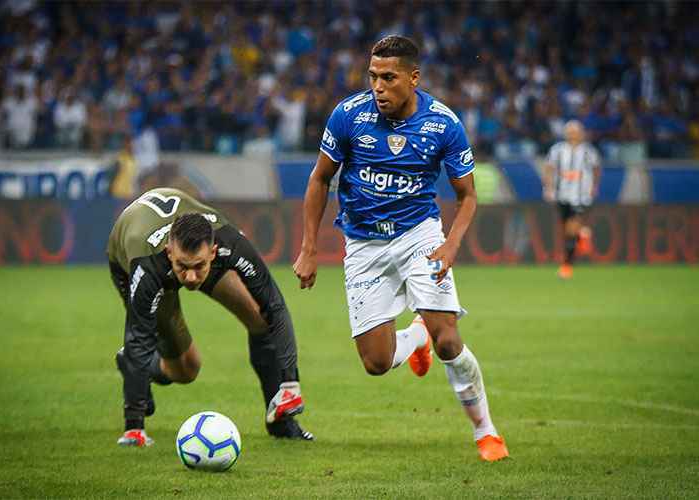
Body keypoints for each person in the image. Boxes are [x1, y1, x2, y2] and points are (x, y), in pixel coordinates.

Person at [293, 35, 508, 462]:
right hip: (363, 243)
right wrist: (309, 248)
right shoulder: (348, 116)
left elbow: (467, 196)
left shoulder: (443, 124)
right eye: (372, 76)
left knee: (449, 341)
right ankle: (416, 336)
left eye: (388, 78)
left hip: (419, 237)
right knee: (376, 362)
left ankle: (486, 432)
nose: (378, 86)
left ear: (413, 78)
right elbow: (320, 179)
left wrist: (450, 245)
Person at [107, 187, 313, 446]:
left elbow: (274, 305)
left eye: (199, 267)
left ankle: (281, 422)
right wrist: (134, 427)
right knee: (186, 369)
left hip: (182, 242)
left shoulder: (231, 243)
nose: (191, 278)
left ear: (213, 253)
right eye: (183, 267)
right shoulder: (148, 267)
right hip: (129, 255)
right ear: (171, 253)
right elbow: (139, 337)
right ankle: (133, 365)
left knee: (259, 318)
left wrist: (291, 384)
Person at [543, 120, 601, 279]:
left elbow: (596, 169)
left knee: (571, 228)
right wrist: (548, 188)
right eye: (570, 132)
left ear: (581, 134)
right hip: (561, 194)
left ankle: (567, 266)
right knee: (566, 230)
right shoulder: (557, 150)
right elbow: (549, 168)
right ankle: (582, 235)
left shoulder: (589, 152)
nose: (573, 135)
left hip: (581, 195)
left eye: (576, 132)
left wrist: (594, 186)